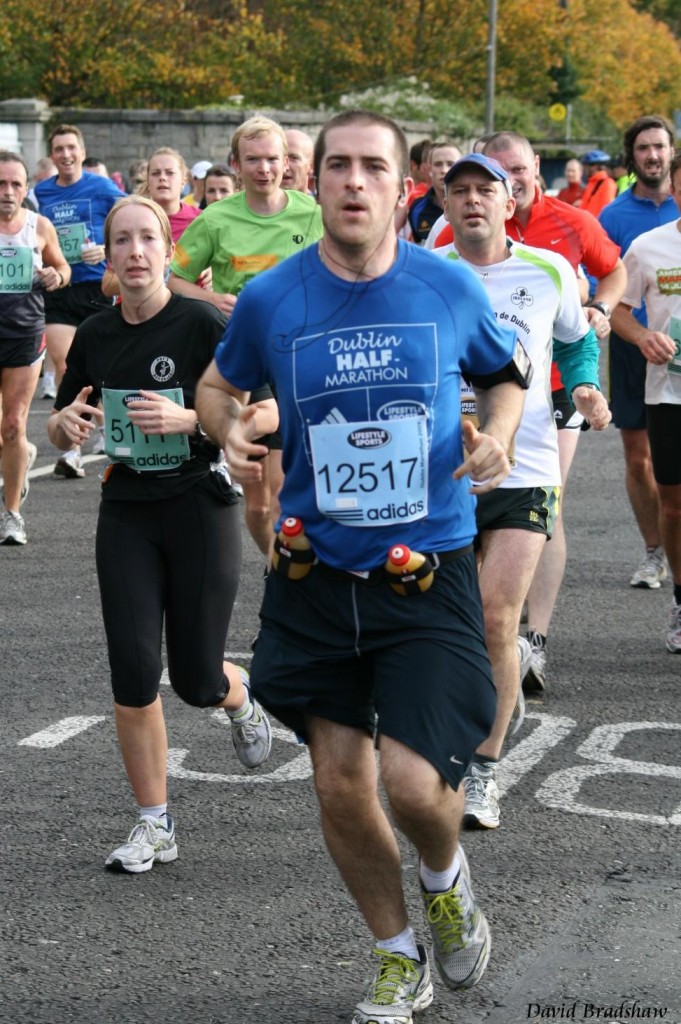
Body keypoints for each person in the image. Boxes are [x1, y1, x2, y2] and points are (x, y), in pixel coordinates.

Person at [196, 109, 530, 1024]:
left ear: (398, 186)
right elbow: (219, 383)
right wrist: (225, 428)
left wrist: (497, 436)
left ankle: (445, 877)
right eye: (335, 166)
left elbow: (505, 377)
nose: (352, 182)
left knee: (418, 787)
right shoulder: (273, 298)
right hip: (311, 572)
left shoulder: (447, 289)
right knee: (340, 781)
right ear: (315, 184)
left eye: (371, 168)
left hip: (426, 566)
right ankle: (394, 954)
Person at [46, 195, 273, 872]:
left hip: (198, 505)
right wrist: (63, 428)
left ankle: (239, 696)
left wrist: (195, 423)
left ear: (167, 253)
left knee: (197, 679)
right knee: (134, 671)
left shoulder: (202, 325)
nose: (136, 252)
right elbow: (65, 414)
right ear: (109, 258)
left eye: (148, 239)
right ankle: (154, 823)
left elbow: (260, 411)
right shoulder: (94, 334)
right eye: (123, 242)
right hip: (127, 510)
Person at [436, 153, 611, 828]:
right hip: (438, 467)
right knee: (435, 619)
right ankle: (432, 734)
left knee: (494, 617)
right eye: (460, 191)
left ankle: (483, 770)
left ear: (511, 202)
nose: (473, 200)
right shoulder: (429, 270)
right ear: (444, 204)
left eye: (487, 190)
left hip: (526, 463)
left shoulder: (548, 270)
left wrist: (587, 386)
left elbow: (572, 345)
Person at [474, 130, 626, 695]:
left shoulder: (571, 225)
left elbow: (610, 274)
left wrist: (600, 309)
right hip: (465, 415)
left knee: (545, 505)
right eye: (492, 171)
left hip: (553, 387)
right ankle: (491, 644)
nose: (506, 179)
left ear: (533, 168)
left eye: (514, 169)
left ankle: (531, 636)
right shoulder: (444, 242)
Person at [168, 115, 323, 558]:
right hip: (246, 359)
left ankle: (289, 577)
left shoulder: (312, 213)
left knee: (284, 492)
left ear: (287, 162)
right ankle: (279, 566)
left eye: (273, 159)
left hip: (303, 359)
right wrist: (210, 300)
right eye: (253, 160)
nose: (265, 168)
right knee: (258, 505)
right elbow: (173, 278)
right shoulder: (214, 220)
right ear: (235, 165)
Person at [599, 114, 677, 590]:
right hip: (635, 347)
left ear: (671, 154)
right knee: (639, 458)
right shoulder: (614, 217)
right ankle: (655, 552)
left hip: (678, 349)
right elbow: (604, 283)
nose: (652, 155)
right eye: (644, 148)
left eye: (660, 147)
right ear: (634, 157)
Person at [611, 151, 681, 653]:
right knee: (674, 507)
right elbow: (617, 308)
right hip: (670, 394)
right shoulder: (650, 246)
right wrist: (642, 338)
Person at [35, 123, 124, 478]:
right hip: (58, 287)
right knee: (65, 364)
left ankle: (103, 425)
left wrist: (105, 248)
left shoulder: (101, 187)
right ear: (52, 155)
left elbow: (126, 219)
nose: (66, 154)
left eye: (72, 147)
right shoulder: (41, 192)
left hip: (95, 287)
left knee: (99, 363)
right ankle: (72, 449)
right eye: (59, 149)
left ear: (82, 152)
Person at [0, 151, 71, 546]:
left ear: (26, 189)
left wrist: (54, 275)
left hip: (25, 333)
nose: (7, 192)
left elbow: (64, 269)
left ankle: (12, 515)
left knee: (13, 424)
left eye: (15, 184)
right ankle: (18, 456)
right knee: (5, 434)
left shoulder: (39, 227)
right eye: (0, 184)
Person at [408, 140, 461, 243]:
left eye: (450, 164)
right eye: (438, 164)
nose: (444, 170)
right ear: (429, 169)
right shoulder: (417, 207)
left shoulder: (472, 204)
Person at [143, 147, 200, 243]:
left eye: (170, 173)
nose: (162, 178)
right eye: (156, 173)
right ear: (148, 181)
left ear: (183, 181)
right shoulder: (135, 219)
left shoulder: (200, 220)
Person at [579, 150, 617, 218]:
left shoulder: (607, 183)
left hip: (596, 226)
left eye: (585, 165)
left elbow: (607, 212)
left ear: (595, 166)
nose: (583, 169)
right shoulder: (591, 183)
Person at [282, 128, 314, 193]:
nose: (285, 166)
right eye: (279, 158)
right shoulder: (257, 202)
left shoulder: (325, 203)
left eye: (294, 158)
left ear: (311, 166)